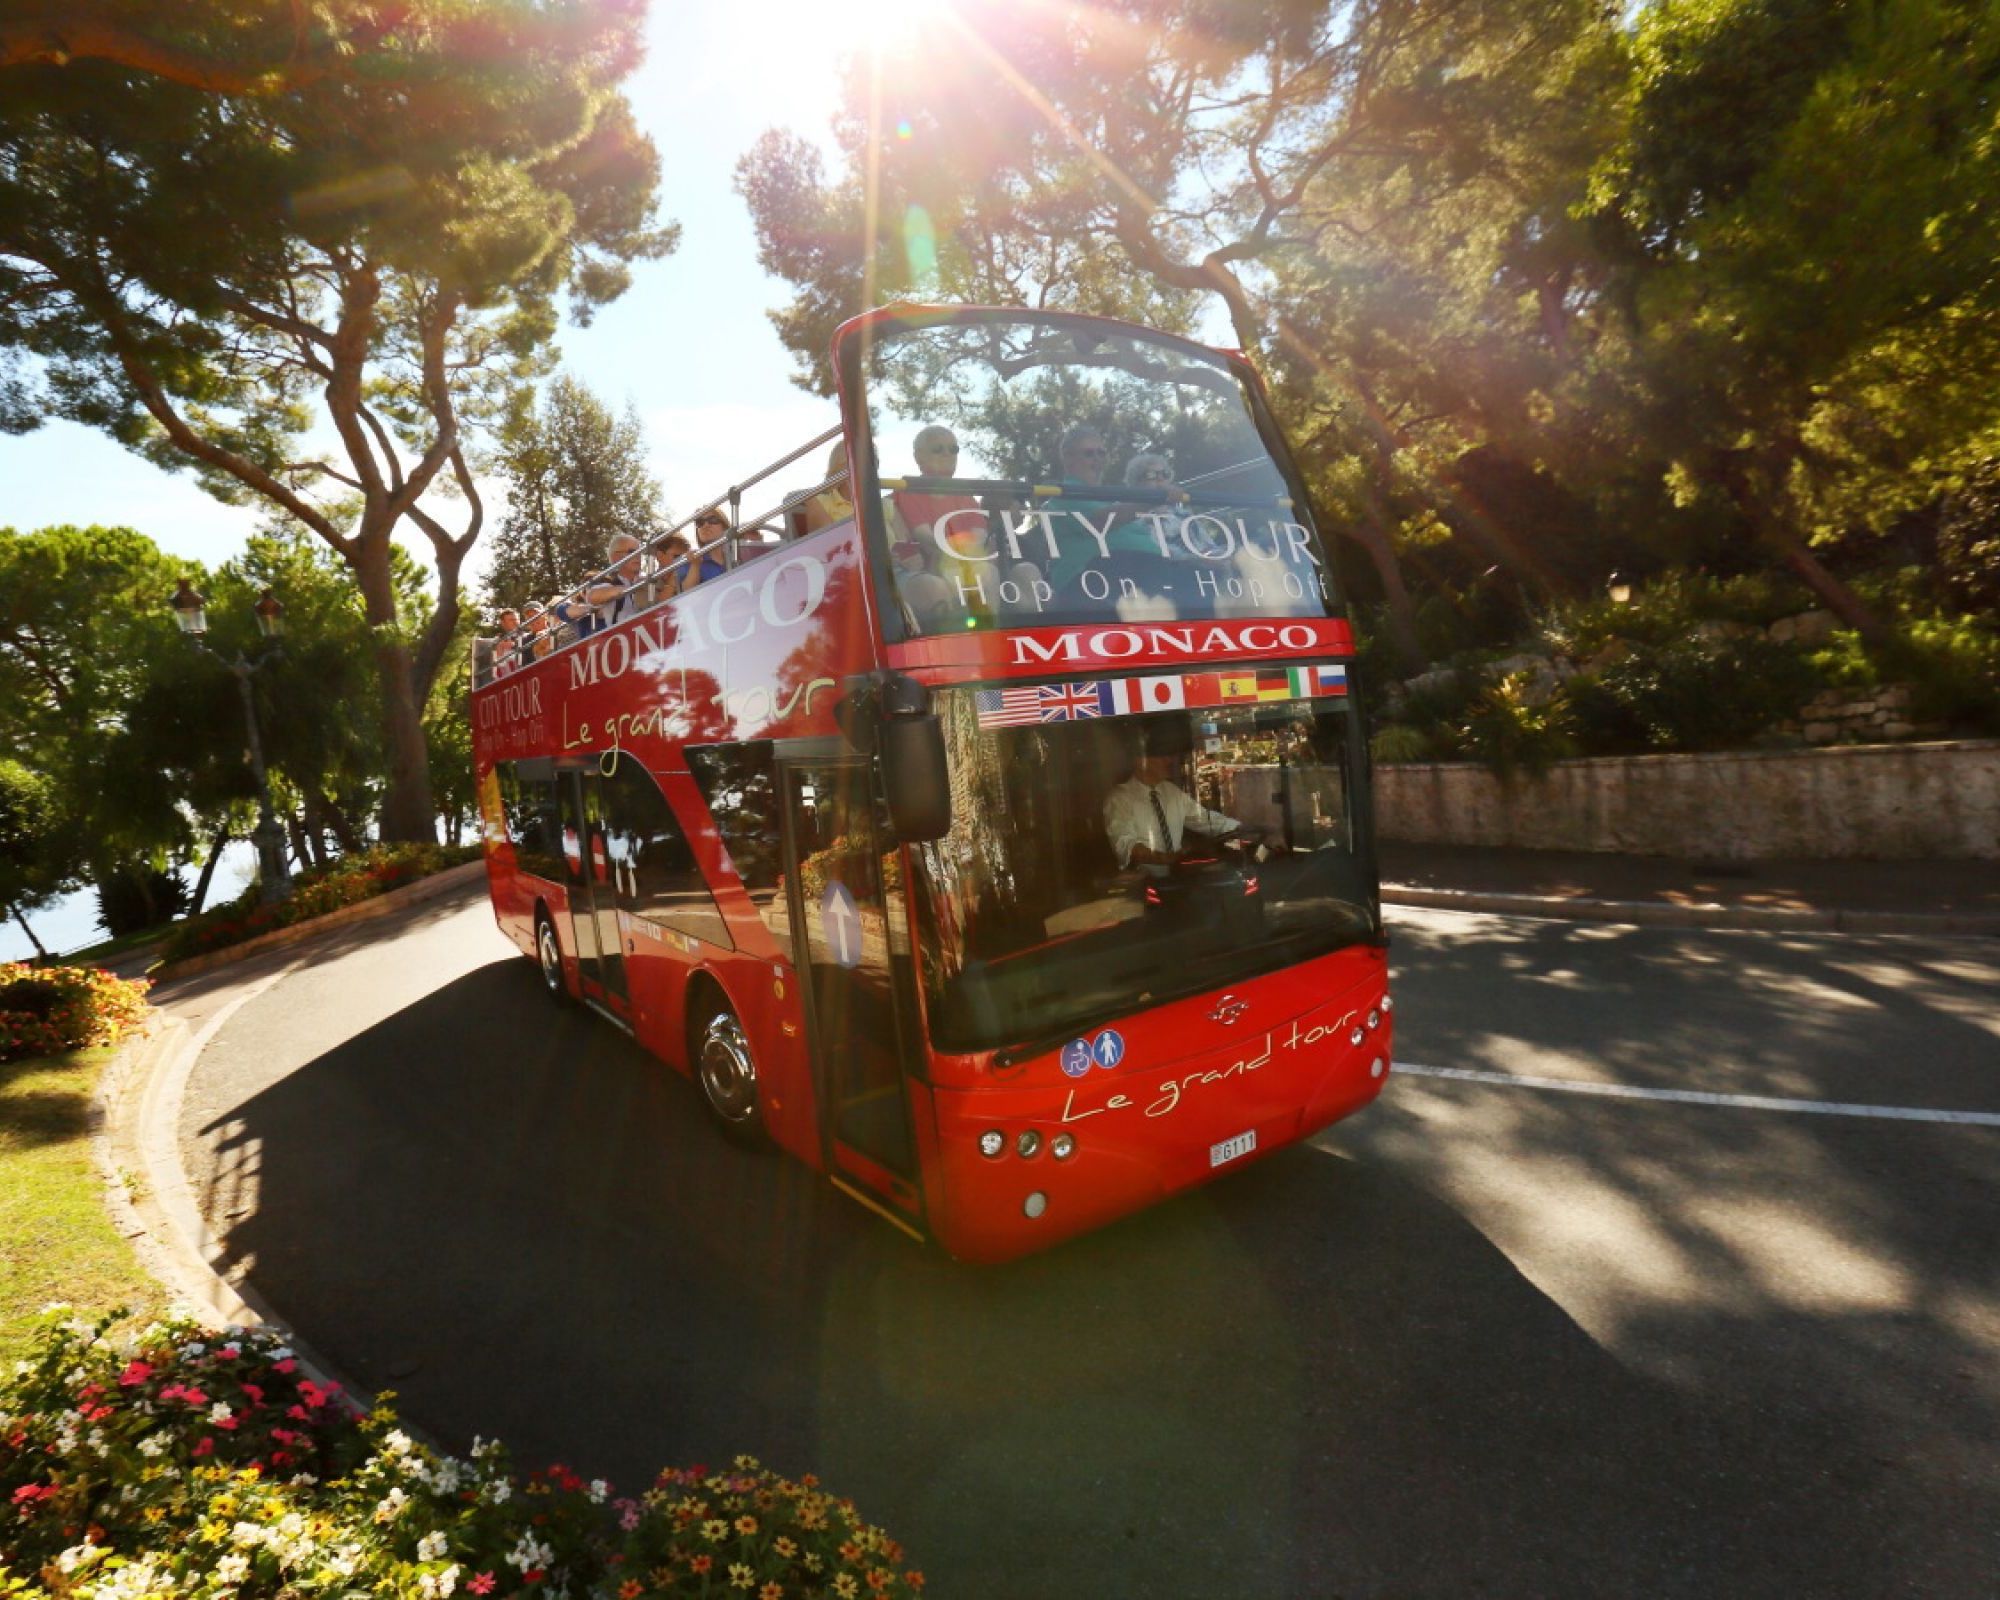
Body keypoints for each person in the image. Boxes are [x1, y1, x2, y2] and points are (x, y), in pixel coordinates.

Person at [1103, 720, 1282, 878]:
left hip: (1179, 880)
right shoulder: (1119, 799)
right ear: (1140, 760)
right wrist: (1165, 859)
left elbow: (1206, 819)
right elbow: (1125, 845)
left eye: (1170, 755)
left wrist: (1245, 831)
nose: (1170, 761)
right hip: (1144, 888)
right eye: (1162, 756)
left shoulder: (1171, 793)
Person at [664, 515, 730, 595]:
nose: (705, 525)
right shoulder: (686, 562)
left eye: (713, 519)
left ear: (725, 526)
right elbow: (687, 596)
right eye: (700, 523)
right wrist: (695, 565)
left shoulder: (742, 551)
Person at [803, 442, 855, 532]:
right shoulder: (818, 502)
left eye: (875, 461)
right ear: (842, 466)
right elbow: (833, 541)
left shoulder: (879, 504)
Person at [491, 608, 522, 678]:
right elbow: (499, 664)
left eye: (516, 619)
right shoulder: (498, 640)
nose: (515, 622)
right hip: (507, 674)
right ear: (503, 623)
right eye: (511, 620)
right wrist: (501, 645)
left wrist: (515, 645)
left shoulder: (526, 636)